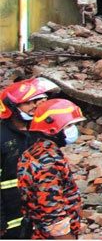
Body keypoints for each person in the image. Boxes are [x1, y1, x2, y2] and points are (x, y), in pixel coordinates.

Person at [17, 98, 85, 240]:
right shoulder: (47, 163)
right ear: (53, 129)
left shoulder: (36, 152)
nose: (74, 130)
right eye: (69, 126)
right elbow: (53, 216)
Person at [0, 78, 60, 239]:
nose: (35, 106)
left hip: (37, 213)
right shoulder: (2, 138)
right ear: (12, 106)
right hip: (10, 214)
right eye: (29, 103)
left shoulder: (38, 133)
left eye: (37, 101)